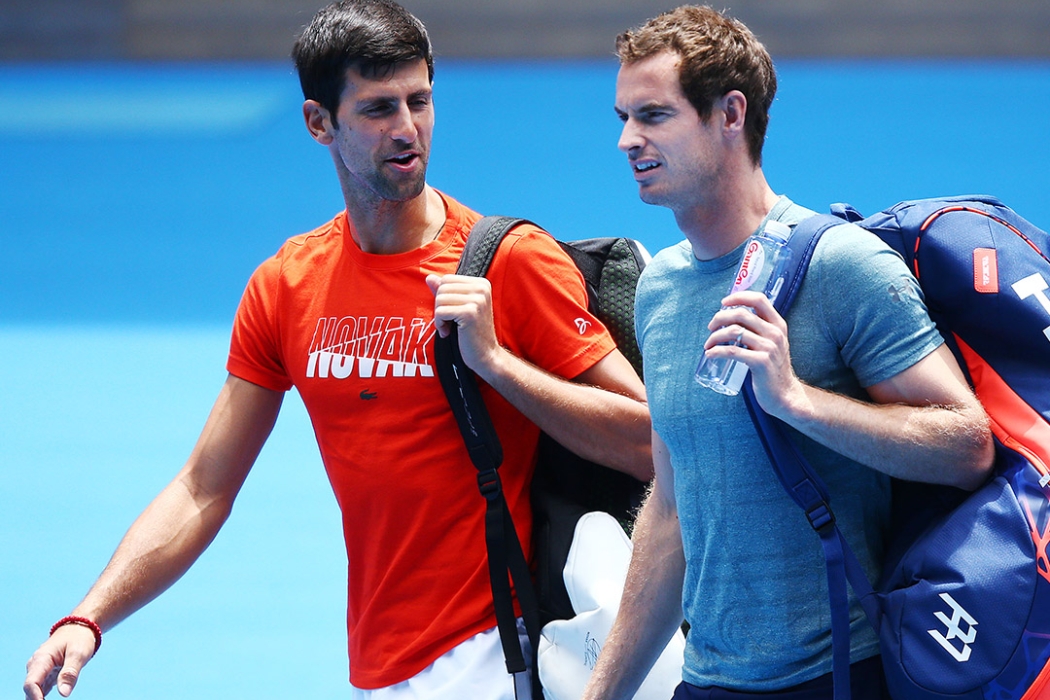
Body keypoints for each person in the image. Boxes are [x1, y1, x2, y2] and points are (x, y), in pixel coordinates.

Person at [22, 2, 652, 698]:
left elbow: (652, 442)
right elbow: (204, 486)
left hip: (496, 650)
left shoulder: (508, 263)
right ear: (319, 123)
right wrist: (89, 617)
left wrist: (499, 366)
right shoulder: (287, 285)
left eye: (420, 101)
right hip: (380, 663)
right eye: (380, 109)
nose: (408, 129)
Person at [581, 6, 995, 699]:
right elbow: (672, 504)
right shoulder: (659, 288)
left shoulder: (843, 266)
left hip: (840, 675)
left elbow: (967, 447)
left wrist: (798, 401)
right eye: (622, 117)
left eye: (653, 116)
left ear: (730, 114)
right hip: (708, 681)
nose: (627, 139)